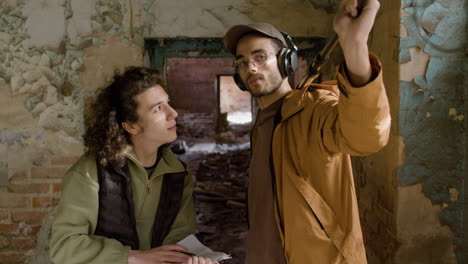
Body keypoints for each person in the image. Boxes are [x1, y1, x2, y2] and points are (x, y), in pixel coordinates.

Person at [223, 0, 390, 263]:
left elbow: (368, 135)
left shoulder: (314, 110)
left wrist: (355, 47)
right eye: (242, 62)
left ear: (286, 61)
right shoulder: (262, 125)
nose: (250, 68)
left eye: (260, 57)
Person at [50, 67, 215, 264]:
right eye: (158, 108)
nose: (173, 113)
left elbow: (179, 237)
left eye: (168, 103)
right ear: (131, 125)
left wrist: (189, 258)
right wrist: (131, 257)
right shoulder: (91, 171)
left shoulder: (178, 173)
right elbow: (64, 246)